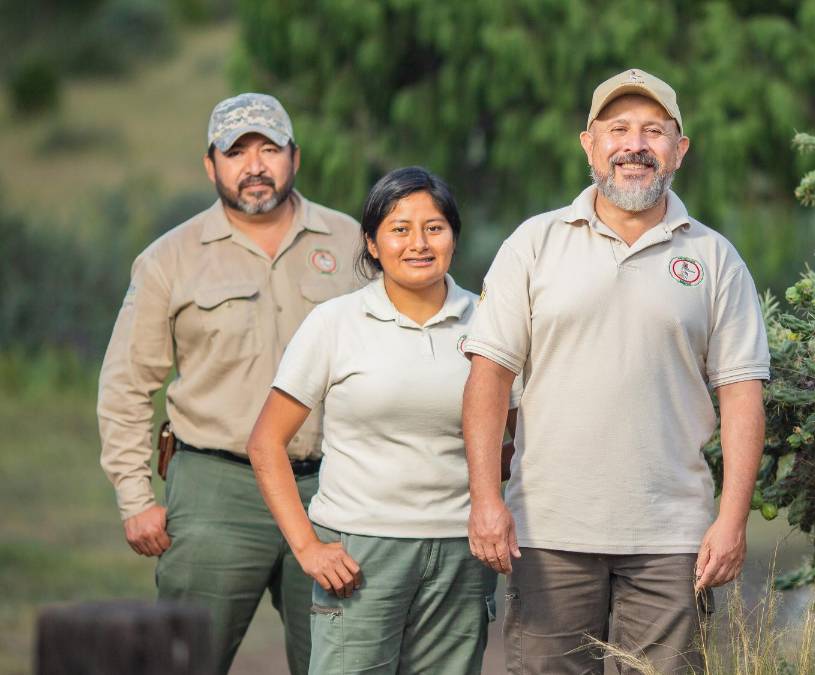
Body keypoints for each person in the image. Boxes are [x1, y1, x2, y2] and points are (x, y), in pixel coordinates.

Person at [462, 68, 771, 674]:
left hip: (672, 540)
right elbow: (489, 379)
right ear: (590, 144)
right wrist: (485, 500)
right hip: (549, 531)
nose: (635, 145)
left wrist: (732, 519)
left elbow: (742, 396)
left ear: (679, 150)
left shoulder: (715, 259)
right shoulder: (533, 244)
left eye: (654, 131)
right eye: (619, 129)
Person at [97, 93, 362, 674]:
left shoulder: (349, 242)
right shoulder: (169, 258)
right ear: (210, 165)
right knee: (185, 660)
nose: (255, 165)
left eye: (269, 149)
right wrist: (135, 498)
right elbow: (126, 384)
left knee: (341, 662)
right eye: (236, 152)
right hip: (217, 490)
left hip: (332, 489)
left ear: (295, 156)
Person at [246, 167, 520, 674]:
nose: (419, 243)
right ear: (372, 243)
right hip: (360, 553)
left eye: (434, 228)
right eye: (399, 229)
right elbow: (266, 443)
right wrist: (307, 547)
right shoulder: (334, 323)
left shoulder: (491, 322)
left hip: (463, 551)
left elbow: (523, 440)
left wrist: (484, 484)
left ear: (454, 237)